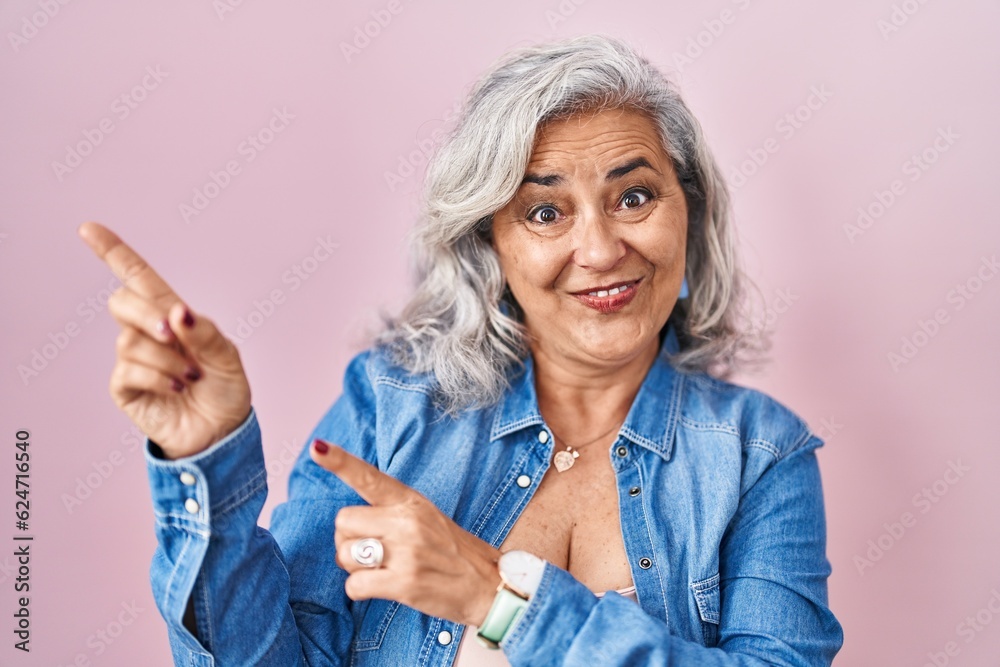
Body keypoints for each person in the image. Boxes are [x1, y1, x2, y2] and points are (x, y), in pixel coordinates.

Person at [79, 34, 844, 666]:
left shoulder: (760, 453)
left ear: (689, 211)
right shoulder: (391, 404)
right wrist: (209, 457)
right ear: (492, 249)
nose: (601, 247)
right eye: (545, 210)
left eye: (634, 195)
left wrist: (498, 599)